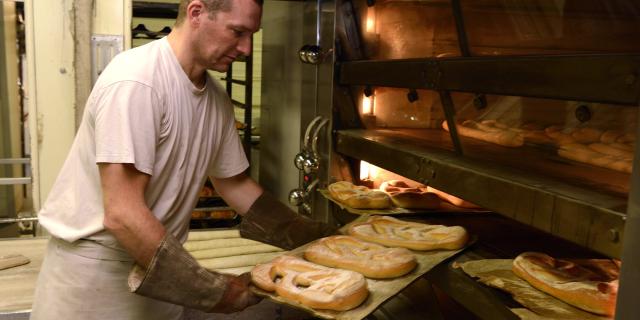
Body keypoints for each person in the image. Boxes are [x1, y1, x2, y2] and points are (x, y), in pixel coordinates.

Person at [29, 0, 335, 319]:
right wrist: (208, 289)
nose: (246, 48)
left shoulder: (216, 101)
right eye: (237, 32)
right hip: (96, 286)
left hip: (162, 278)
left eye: (251, 35)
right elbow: (122, 213)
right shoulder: (137, 81)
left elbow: (234, 183)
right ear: (196, 13)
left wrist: (307, 235)